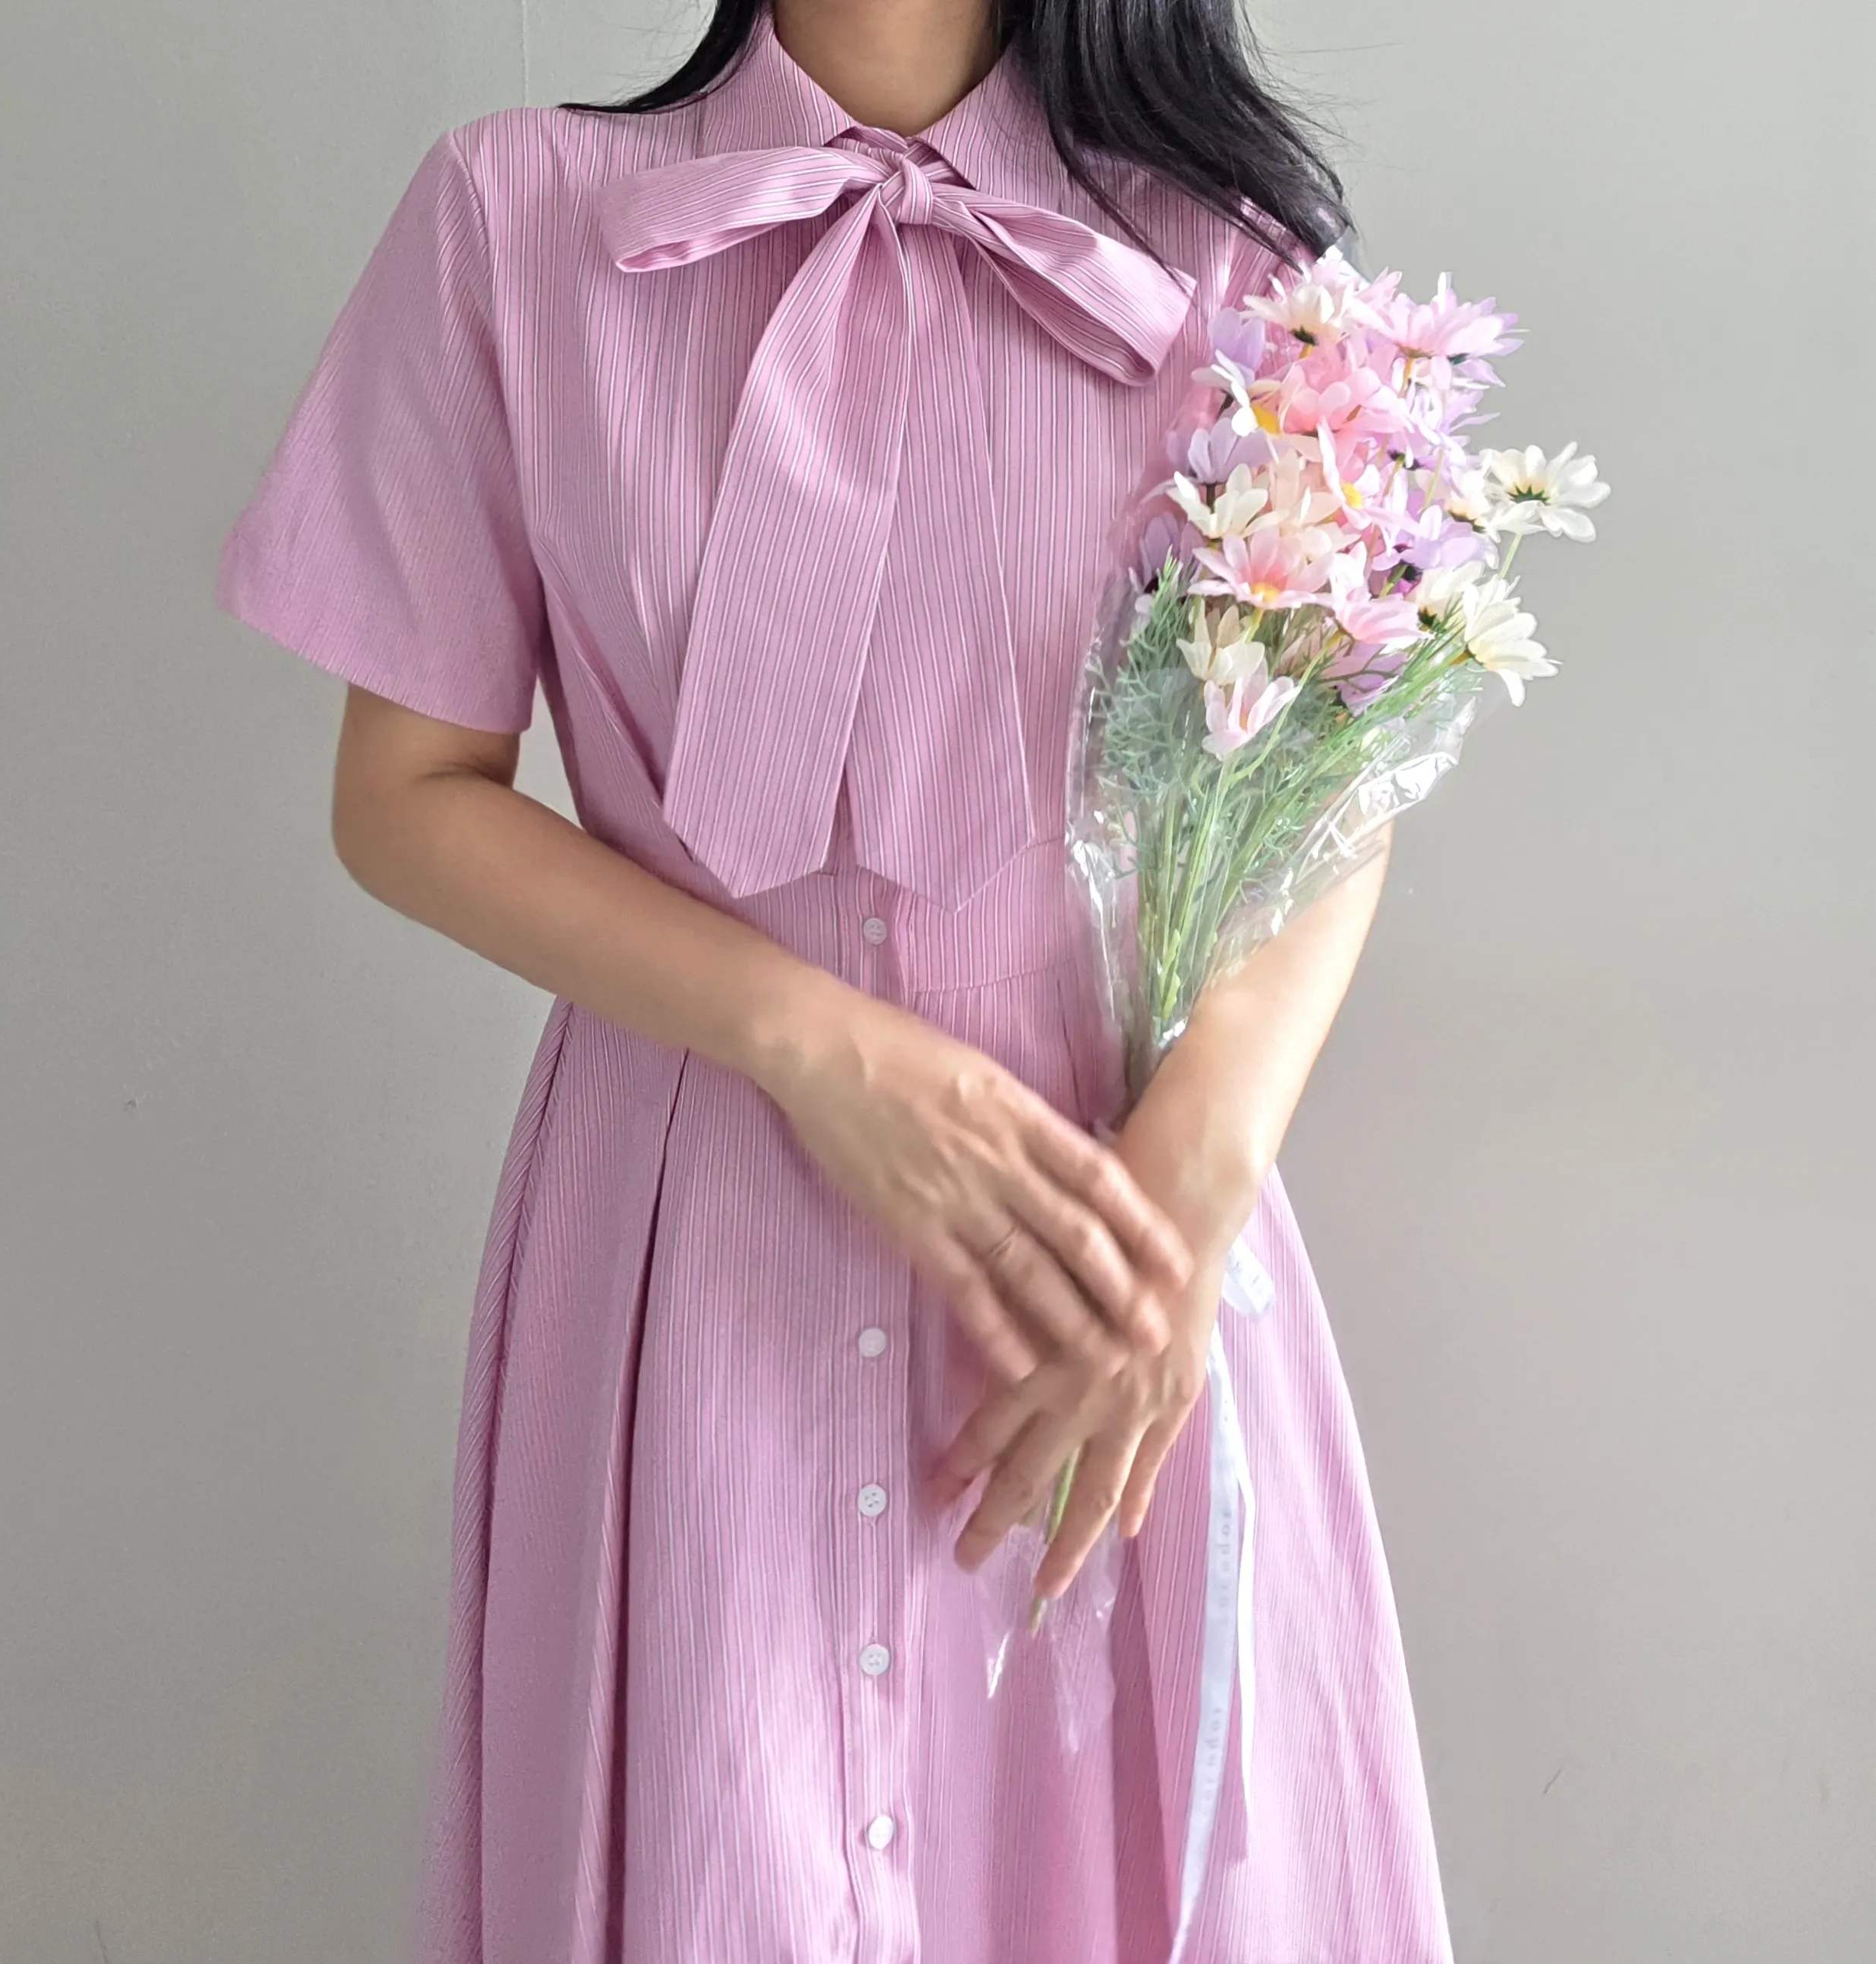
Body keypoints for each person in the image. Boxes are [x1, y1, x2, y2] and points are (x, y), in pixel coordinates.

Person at [214, 2, 1452, 1957]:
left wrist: (1193, 1185)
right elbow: (408, 797)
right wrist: (809, 1044)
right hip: (690, 1260)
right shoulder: (515, 221)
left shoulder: (1231, 259)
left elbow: (1327, 792)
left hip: (1106, 1253)